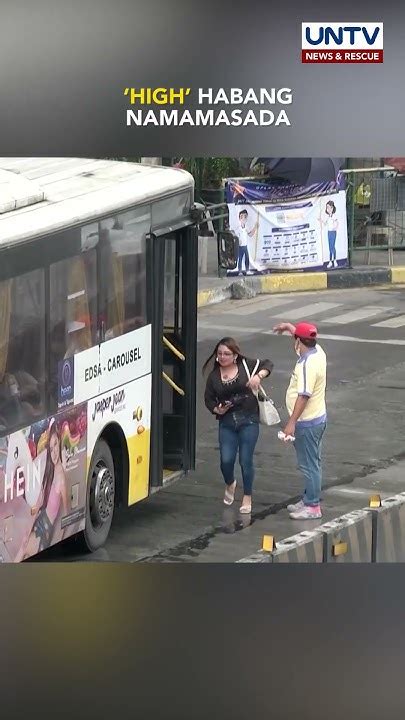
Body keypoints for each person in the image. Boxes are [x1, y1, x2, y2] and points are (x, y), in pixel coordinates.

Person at [203, 337, 273, 514]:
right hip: (227, 422)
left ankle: (247, 496)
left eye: (227, 354)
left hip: (248, 420)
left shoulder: (246, 365)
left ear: (235, 355)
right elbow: (208, 399)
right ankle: (230, 483)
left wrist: (258, 376)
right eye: (219, 354)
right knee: (226, 461)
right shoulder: (214, 377)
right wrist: (216, 409)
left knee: (245, 460)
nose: (222, 357)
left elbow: (267, 364)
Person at [273, 321, 327, 520]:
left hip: (307, 422)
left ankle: (313, 506)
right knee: (314, 462)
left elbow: (303, 396)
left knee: (309, 465)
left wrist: (291, 423)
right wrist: (290, 328)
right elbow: (304, 336)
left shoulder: (307, 365)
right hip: (318, 418)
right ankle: (308, 498)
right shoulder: (317, 351)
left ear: (298, 343)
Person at [15, 419, 68, 560]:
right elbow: (39, 503)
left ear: (60, 443)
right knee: (22, 546)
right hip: (39, 522)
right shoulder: (49, 471)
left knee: (23, 550)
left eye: (56, 445)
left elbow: (67, 513)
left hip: (44, 532)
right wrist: (28, 529)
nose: (54, 452)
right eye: (51, 448)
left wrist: (59, 541)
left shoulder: (61, 478)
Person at [234, 209, 258, 275]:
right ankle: (240, 271)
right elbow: (235, 236)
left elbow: (250, 234)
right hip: (240, 247)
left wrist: (255, 227)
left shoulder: (246, 228)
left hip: (245, 246)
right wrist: (238, 240)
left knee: (247, 258)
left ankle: (247, 270)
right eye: (242, 217)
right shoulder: (238, 228)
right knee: (240, 259)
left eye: (245, 217)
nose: (244, 219)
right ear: (240, 218)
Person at [321, 200, 339, 269]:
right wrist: (321, 220)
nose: (327, 209)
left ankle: (334, 260)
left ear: (332, 208)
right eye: (327, 208)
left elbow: (337, 223)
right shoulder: (328, 217)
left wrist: (335, 227)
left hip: (333, 232)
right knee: (330, 247)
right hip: (329, 232)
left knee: (332, 247)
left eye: (329, 207)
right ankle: (330, 261)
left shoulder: (334, 216)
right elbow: (325, 224)